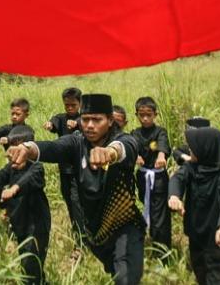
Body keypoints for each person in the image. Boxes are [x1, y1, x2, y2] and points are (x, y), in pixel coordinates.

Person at [9, 93, 144, 285]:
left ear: (111, 120)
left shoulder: (123, 139)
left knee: (126, 278)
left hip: (124, 226)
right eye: (85, 119)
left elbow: (125, 147)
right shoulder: (77, 141)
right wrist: (28, 148)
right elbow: (53, 147)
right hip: (95, 232)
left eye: (97, 120)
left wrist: (109, 152)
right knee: (116, 272)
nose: (89, 125)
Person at [0, 125, 50, 284]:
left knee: (31, 262)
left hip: (37, 224)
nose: (12, 156)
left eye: (16, 151)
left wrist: (14, 189)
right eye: (10, 151)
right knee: (27, 261)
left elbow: (30, 180)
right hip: (20, 222)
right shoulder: (10, 168)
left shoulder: (36, 167)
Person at [168, 127, 220, 285]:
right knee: (201, 275)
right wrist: (174, 196)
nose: (189, 149)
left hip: (219, 240)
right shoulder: (192, 167)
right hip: (196, 235)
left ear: (206, 149)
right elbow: (177, 179)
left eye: (193, 147)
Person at [42, 87, 85, 252]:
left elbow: (89, 124)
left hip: (80, 170)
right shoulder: (61, 118)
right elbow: (54, 122)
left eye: (73, 105)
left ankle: (80, 243)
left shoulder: (85, 119)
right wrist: (50, 124)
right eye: (67, 105)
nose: (70, 108)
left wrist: (78, 123)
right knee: (69, 202)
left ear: (80, 104)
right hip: (64, 170)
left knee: (77, 203)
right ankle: (79, 233)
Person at [130, 96, 171, 250]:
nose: (145, 118)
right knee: (147, 206)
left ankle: (162, 252)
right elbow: (132, 146)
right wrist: (136, 156)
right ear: (137, 115)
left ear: (155, 114)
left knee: (160, 214)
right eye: (142, 115)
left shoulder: (160, 131)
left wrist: (161, 156)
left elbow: (163, 145)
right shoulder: (135, 133)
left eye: (149, 114)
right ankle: (153, 237)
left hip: (158, 177)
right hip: (142, 177)